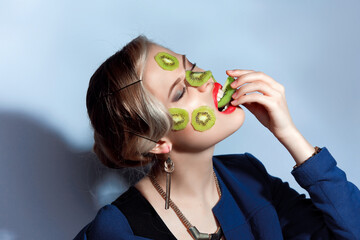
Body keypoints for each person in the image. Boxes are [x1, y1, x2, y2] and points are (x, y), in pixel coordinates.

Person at [74, 35, 360, 240]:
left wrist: (288, 134)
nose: (206, 80)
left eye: (192, 67)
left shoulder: (247, 177)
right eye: (180, 92)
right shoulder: (116, 230)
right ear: (158, 142)